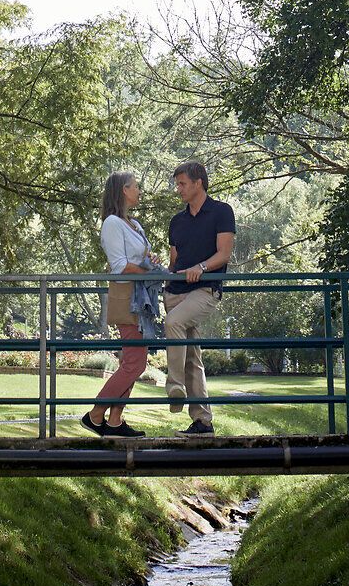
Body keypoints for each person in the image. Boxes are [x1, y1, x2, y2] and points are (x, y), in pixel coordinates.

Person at [82, 170, 160, 439]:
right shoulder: (112, 223)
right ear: (123, 190)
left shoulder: (135, 224)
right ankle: (95, 414)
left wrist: (151, 265)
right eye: (135, 186)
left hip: (143, 300)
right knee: (135, 364)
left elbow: (139, 260)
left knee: (132, 360)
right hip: (127, 299)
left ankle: (114, 420)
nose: (139, 190)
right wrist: (148, 273)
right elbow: (118, 266)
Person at [164, 160, 235, 436]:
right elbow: (174, 261)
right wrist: (161, 269)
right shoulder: (177, 221)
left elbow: (224, 254)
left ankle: (174, 387)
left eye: (182, 183)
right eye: (177, 184)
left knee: (173, 323)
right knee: (192, 357)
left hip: (205, 290)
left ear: (198, 183)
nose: (178, 189)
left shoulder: (221, 211)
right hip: (175, 292)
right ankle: (203, 422)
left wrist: (201, 268)